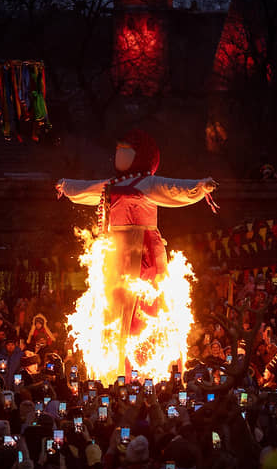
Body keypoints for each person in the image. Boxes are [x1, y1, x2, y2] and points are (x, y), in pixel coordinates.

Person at [56, 128, 218, 376]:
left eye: (126, 151)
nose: (120, 155)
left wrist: (199, 186)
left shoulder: (147, 183)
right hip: (116, 249)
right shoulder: (112, 184)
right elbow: (88, 189)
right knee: (113, 307)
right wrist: (66, 186)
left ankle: (148, 369)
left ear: (140, 156)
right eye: (118, 150)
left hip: (142, 249)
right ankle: (114, 369)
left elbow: (173, 189)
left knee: (143, 306)